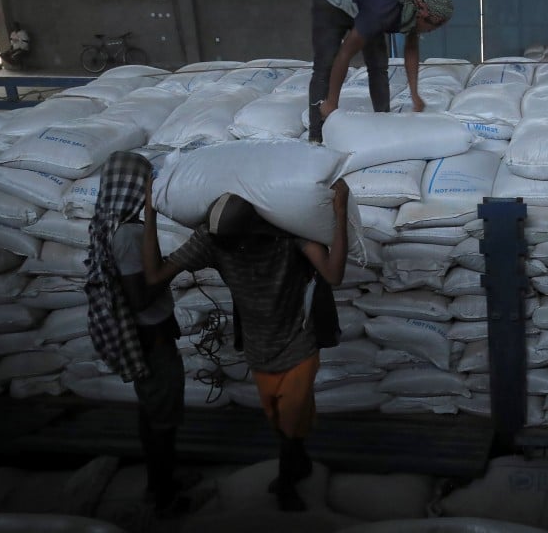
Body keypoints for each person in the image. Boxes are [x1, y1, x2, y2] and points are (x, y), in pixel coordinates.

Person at [139, 179, 350, 511]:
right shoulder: (212, 241)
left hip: (298, 343)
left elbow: (333, 274)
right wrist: (149, 211)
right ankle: (300, 463)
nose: (230, 251)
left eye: (235, 243)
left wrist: (338, 211)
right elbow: (154, 276)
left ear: (255, 228)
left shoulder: (288, 234)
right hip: (258, 347)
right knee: (280, 421)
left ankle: (286, 483)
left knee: (291, 421)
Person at [84, 151, 200, 517]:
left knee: (151, 414)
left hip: (144, 338)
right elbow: (139, 295)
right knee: (162, 420)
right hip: (153, 339)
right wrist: (173, 267)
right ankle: (164, 494)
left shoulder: (107, 224)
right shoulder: (131, 235)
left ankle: (160, 480)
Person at [309, 0, 454, 142]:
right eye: (436, 25)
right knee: (325, 64)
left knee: (378, 64)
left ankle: (383, 120)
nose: (433, 31)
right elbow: (345, 53)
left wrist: (415, 94)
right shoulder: (382, 11)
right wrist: (332, 103)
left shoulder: (409, 12)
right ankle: (317, 135)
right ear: (424, 15)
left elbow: (411, 47)